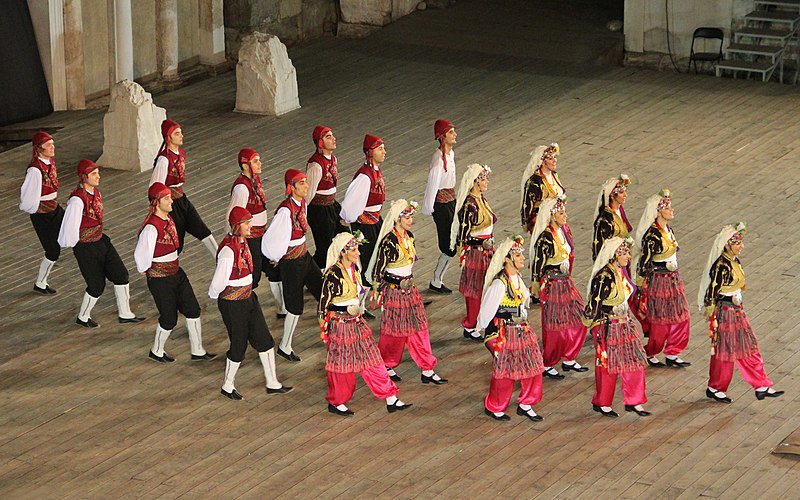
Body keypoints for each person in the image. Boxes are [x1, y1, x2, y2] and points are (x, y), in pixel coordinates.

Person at [319, 232, 410, 416]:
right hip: (341, 325)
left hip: (357, 323)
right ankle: (336, 402)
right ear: (343, 252)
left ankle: (390, 397)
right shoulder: (333, 275)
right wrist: (326, 329)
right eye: (354, 250)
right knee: (343, 367)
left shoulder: (354, 270)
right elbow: (323, 306)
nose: (358, 253)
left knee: (373, 359)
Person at [210, 207, 292, 400]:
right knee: (238, 345)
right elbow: (218, 282)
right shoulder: (228, 251)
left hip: (248, 298)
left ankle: (272, 382)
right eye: (246, 223)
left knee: (264, 340)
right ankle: (227, 385)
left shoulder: (243, 243)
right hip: (233, 303)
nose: (250, 226)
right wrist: (220, 297)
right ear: (237, 225)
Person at [699, 223, 784, 403]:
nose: (741, 246)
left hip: (737, 310)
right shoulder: (721, 265)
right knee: (725, 351)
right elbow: (712, 292)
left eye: (740, 242)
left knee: (748, 345)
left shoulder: (734, 261)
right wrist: (712, 314)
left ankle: (761, 384)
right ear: (727, 244)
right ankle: (715, 387)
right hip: (725, 312)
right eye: (737, 243)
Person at [366, 199, 448, 385]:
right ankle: (387, 364)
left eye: (411, 216)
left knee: (420, 327)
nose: (411, 220)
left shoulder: (409, 237)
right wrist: (377, 293)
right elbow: (378, 270)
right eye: (408, 217)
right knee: (394, 332)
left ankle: (427, 368)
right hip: (394, 291)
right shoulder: (389, 242)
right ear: (398, 218)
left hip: (410, 290)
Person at [57, 160, 144, 328]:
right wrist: (79, 245)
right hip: (85, 247)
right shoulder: (77, 200)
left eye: (98, 172)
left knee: (121, 275)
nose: (99, 176)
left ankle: (125, 313)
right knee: (96, 285)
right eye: (94, 174)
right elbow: (69, 225)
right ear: (84, 177)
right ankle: (83, 316)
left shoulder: (96, 192)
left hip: (101, 240)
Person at [135, 182, 215, 363]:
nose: (172, 201)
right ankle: (156, 350)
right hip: (160, 279)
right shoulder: (151, 227)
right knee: (169, 318)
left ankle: (198, 350)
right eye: (167, 198)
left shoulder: (168, 219)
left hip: (176, 272)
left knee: (192, 309)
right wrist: (148, 270)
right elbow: (141, 254)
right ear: (156, 202)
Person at [478, 236, 545, 422]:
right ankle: (495, 406)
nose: (522, 258)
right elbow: (486, 312)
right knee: (505, 372)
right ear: (507, 259)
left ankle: (526, 403)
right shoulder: (500, 284)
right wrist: (486, 333)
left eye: (522, 254)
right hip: (504, 332)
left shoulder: (517, 279)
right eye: (518, 255)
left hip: (521, 329)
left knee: (533, 367)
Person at [584, 237, 650, 418]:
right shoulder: (604, 277)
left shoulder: (622, 272)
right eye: (625, 253)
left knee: (634, 362)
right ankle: (603, 402)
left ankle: (634, 400)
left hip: (625, 323)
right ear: (615, 255)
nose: (628, 256)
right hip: (608, 325)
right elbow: (594, 304)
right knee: (607, 366)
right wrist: (595, 328)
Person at [262, 169, 323, 362]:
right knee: (295, 307)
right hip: (291, 263)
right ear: (292, 187)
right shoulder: (285, 211)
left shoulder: (302, 203)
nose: (306, 186)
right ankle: (284, 346)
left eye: (306, 182)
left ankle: (330, 331)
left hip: (304, 256)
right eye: (302, 183)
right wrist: (276, 256)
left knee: (323, 291)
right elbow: (272, 237)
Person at [530, 195, 588, 379]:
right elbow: (538, 264)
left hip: (566, 282)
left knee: (580, 317)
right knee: (554, 326)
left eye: (565, 212)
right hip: (553, 285)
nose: (565, 216)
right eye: (561, 213)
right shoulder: (545, 238)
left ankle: (569, 357)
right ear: (552, 215)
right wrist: (538, 288)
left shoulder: (564, 232)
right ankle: (548, 362)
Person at [226, 148, 287, 318]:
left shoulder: (254, 180)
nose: (260, 164)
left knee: (274, 267)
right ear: (245, 165)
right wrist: (234, 240)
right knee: (254, 274)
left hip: (262, 234)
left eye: (259, 160)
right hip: (251, 237)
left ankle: (282, 308)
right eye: (255, 161)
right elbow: (233, 215)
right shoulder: (242, 188)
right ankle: (244, 310)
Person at [634, 189, 691, 368]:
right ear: (659, 211)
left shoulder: (669, 229)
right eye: (668, 208)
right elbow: (644, 261)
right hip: (659, 280)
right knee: (661, 320)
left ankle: (673, 351)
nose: (672, 210)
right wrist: (641, 284)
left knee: (682, 315)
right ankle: (651, 351)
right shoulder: (652, 235)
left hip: (674, 279)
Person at [150, 119, 217, 257]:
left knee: (203, 230)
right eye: (177, 134)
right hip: (171, 205)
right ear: (168, 137)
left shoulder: (181, 154)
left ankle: (220, 260)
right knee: (176, 241)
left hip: (182, 200)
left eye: (181, 133)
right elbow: (155, 187)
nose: (181, 136)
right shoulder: (164, 160)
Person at [592, 174, 649, 336]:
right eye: (622, 192)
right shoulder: (605, 218)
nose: (625, 195)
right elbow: (601, 246)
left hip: (623, 260)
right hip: (613, 263)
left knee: (627, 290)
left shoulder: (619, 211)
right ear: (612, 195)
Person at [449, 163, 495, 341]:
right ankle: (471, 324)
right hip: (477, 252)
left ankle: (484, 319)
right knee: (475, 290)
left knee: (487, 287)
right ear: (475, 182)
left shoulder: (481, 199)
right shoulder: (470, 204)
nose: (486, 182)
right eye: (483, 179)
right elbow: (464, 234)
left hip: (487, 250)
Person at [20, 131, 64, 294]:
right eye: (48, 145)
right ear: (39, 148)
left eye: (52, 144)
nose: (52, 147)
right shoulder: (35, 170)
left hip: (54, 208)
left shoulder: (49, 161)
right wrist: (35, 209)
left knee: (73, 230)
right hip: (42, 215)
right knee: (52, 251)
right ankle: (40, 282)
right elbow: (29, 194)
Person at [339, 134, 387, 286]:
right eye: (380, 149)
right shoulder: (365, 177)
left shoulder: (375, 172)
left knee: (379, 257)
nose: (384, 152)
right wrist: (348, 220)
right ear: (371, 152)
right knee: (367, 261)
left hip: (376, 221)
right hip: (366, 225)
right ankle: (362, 302)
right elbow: (350, 204)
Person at [422, 119, 458, 294]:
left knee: (453, 242)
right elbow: (432, 186)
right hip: (442, 205)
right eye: (451, 132)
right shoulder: (438, 160)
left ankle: (437, 279)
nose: (455, 134)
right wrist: (429, 208)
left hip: (451, 201)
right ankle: (436, 280)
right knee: (448, 245)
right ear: (442, 137)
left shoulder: (450, 155)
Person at [305, 125, 343, 269]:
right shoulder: (316, 164)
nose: (333, 139)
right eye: (328, 137)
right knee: (324, 247)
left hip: (332, 205)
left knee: (343, 237)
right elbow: (308, 193)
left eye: (332, 135)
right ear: (320, 142)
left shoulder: (333, 159)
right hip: (319, 210)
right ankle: (314, 275)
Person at [520, 142, 564, 234]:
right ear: (543, 162)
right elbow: (527, 205)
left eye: (555, 157)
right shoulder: (535, 182)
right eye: (550, 158)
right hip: (542, 222)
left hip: (557, 219)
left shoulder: (554, 175)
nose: (554, 160)